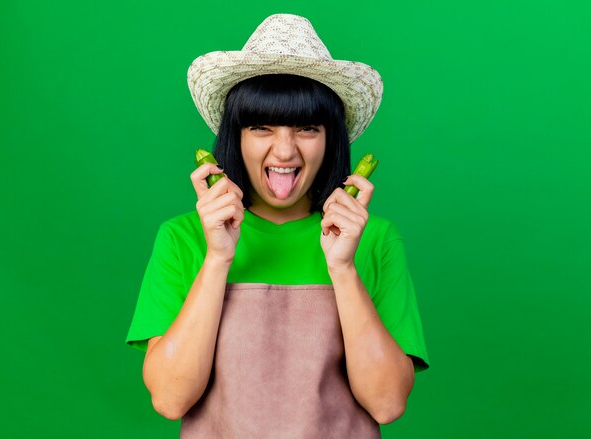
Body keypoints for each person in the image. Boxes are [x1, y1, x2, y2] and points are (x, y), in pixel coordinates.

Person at [126, 13, 430, 438]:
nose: (284, 150)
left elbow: (387, 402)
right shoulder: (182, 237)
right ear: (236, 136)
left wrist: (343, 268)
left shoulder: (374, 239)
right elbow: (171, 399)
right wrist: (217, 258)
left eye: (307, 127)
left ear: (331, 138)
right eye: (260, 127)